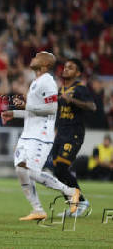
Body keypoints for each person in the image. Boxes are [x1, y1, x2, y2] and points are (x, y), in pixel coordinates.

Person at [1, 52, 80, 221]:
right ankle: (38, 209)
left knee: (32, 171)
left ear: (44, 65)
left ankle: (71, 191)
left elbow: (52, 109)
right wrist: (14, 113)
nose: (33, 58)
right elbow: (33, 112)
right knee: (21, 169)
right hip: (28, 134)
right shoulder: (36, 82)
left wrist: (26, 106)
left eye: (37, 56)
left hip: (41, 135)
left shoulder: (48, 81)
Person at [50, 58, 96, 217]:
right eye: (65, 66)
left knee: (62, 167)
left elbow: (92, 106)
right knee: (57, 171)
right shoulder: (61, 89)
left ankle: (81, 201)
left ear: (78, 73)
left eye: (71, 68)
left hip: (74, 133)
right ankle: (73, 206)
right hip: (61, 133)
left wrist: (73, 100)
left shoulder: (80, 89)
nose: (66, 69)